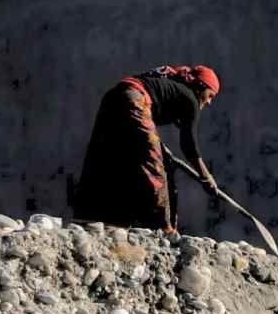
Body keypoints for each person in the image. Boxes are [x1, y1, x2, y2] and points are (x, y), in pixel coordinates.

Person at [74, 64, 220, 233]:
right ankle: (163, 228)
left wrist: (159, 148)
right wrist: (206, 177)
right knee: (154, 167)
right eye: (210, 95)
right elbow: (189, 144)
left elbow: (142, 129)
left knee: (109, 157)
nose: (209, 102)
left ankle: (92, 217)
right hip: (134, 99)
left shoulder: (170, 87)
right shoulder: (190, 99)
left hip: (113, 98)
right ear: (200, 86)